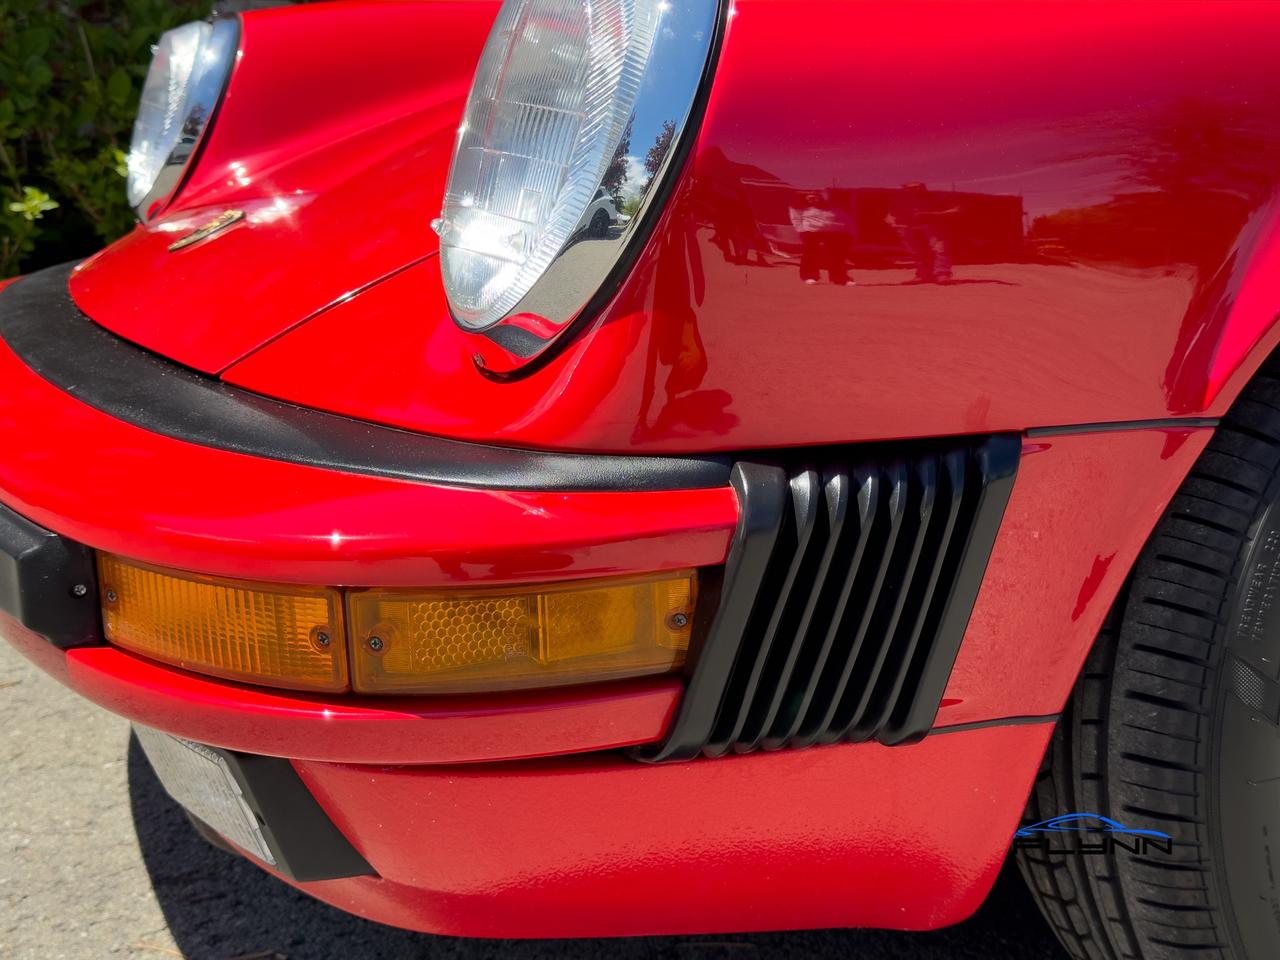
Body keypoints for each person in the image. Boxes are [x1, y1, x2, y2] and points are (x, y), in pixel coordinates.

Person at [885, 181, 959, 283]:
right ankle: (923, 274)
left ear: (923, 187)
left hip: (934, 226)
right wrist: (893, 224)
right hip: (908, 228)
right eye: (909, 188)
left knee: (940, 249)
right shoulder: (900, 200)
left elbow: (956, 209)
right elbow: (890, 215)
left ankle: (942, 274)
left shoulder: (936, 196)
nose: (913, 190)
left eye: (916, 187)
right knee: (918, 253)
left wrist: (933, 214)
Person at [788, 190, 853, 285]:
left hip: (833, 232)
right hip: (811, 232)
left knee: (836, 255)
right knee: (811, 253)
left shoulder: (828, 205)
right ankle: (809, 276)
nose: (812, 199)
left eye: (815, 196)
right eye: (810, 197)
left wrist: (845, 229)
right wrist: (803, 231)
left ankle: (839, 278)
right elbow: (796, 219)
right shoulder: (798, 206)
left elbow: (840, 217)